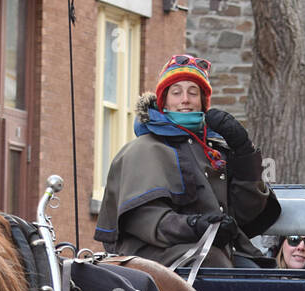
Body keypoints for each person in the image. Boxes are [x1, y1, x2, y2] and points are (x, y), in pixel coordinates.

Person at [94, 54, 279, 268]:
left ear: (202, 101)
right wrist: (195, 225)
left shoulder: (213, 150)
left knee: (265, 279)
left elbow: (245, 213)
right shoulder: (143, 149)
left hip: (215, 249)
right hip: (155, 256)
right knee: (219, 268)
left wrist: (244, 152)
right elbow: (144, 220)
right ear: (164, 101)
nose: (185, 99)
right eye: (176, 92)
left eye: (193, 92)